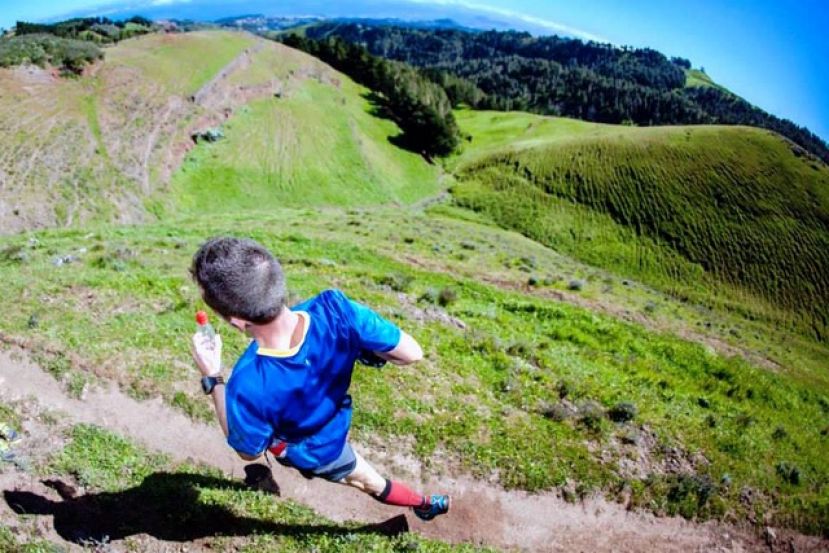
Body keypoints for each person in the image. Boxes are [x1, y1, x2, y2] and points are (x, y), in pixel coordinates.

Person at [189, 236, 450, 521]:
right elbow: (412, 353)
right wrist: (360, 347)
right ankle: (425, 503)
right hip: (337, 419)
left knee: (369, 482)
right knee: (367, 477)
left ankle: (423, 505)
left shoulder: (248, 383)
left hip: (314, 450)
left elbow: (247, 450)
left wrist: (213, 378)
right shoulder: (336, 308)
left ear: (236, 321)